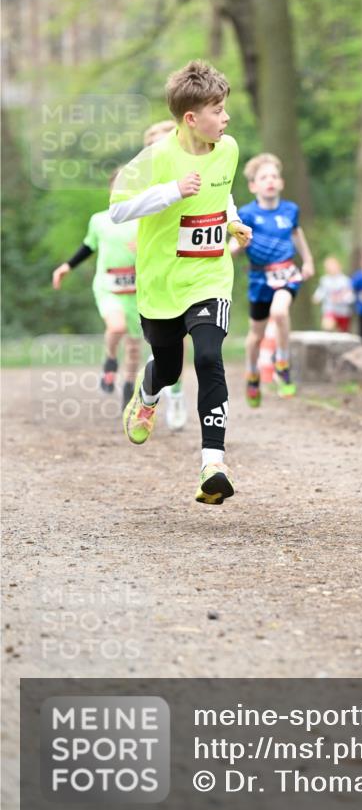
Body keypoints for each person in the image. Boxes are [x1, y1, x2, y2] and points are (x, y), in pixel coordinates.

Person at [109, 60, 252, 505]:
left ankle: (213, 464)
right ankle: (147, 395)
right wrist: (171, 190)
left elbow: (221, 189)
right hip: (161, 283)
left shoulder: (227, 148)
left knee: (209, 356)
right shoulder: (155, 158)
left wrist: (232, 221)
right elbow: (117, 209)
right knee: (169, 367)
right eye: (218, 109)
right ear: (192, 118)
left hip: (210, 275)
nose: (226, 118)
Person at [52, 171, 141, 409]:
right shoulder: (99, 220)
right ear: (111, 191)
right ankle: (111, 359)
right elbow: (88, 246)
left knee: (134, 347)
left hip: (138, 291)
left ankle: (129, 391)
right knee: (117, 327)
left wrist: (144, 249)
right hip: (108, 286)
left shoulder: (146, 221)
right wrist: (66, 266)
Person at [234, 153, 314, 405]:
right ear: (253, 186)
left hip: (287, 272)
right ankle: (252, 373)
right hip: (259, 278)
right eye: (263, 177)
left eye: (274, 176)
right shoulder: (245, 214)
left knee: (280, 313)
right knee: (256, 335)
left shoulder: (290, 210)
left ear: (281, 183)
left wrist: (308, 261)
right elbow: (233, 246)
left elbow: (296, 234)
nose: (270, 181)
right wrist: (233, 249)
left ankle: (282, 363)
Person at [142, 119, 187, 432]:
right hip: (152, 274)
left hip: (187, 270)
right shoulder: (142, 185)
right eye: (154, 145)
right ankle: (153, 389)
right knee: (160, 347)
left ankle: (178, 397)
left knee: (187, 337)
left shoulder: (190, 179)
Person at [312, 256, 354, 332]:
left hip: (343, 312)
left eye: (333, 266)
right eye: (328, 267)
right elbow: (321, 291)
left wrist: (342, 299)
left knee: (343, 333)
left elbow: (350, 296)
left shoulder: (345, 281)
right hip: (329, 310)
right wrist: (317, 297)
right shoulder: (324, 280)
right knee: (328, 326)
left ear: (339, 266)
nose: (331, 269)